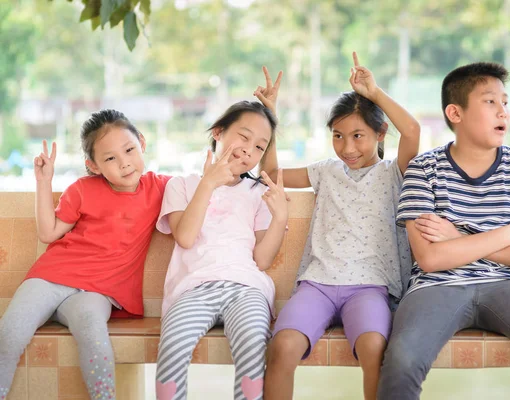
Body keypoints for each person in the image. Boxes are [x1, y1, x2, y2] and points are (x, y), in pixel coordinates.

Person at [377, 62, 510, 400]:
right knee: (402, 361)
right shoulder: (423, 169)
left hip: (509, 284)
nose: (503, 112)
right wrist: (509, 233)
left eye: (505, 103)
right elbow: (431, 258)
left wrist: (459, 238)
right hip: (435, 287)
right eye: (490, 101)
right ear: (455, 112)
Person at [262, 52, 420, 400]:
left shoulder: (395, 173)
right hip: (317, 284)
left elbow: (412, 129)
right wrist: (270, 117)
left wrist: (374, 93)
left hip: (370, 288)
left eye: (358, 136)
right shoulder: (325, 171)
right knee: (283, 345)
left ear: (380, 134)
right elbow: (270, 176)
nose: (347, 147)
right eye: (338, 136)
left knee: (374, 349)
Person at [0, 109, 171, 399]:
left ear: (141, 142)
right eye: (110, 158)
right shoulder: (81, 189)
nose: (124, 163)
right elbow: (49, 233)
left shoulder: (161, 186)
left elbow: (210, 184)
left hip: (98, 292)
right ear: (93, 166)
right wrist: (44, 182)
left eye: (129, 150)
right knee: (11, 330)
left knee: (92, 330)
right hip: (51, 277)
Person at [154, 73, 288, 400]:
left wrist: (281, 216)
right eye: (244, 137)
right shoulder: (182, 185)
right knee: (171, 349)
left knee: (254, 345)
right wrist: (208, 182)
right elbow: (185, 237)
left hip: (246, 288)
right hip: (194, 289)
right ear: (218, 133)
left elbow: (262, 259)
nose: (250, 150)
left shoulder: (257, 192)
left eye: (259, 146)